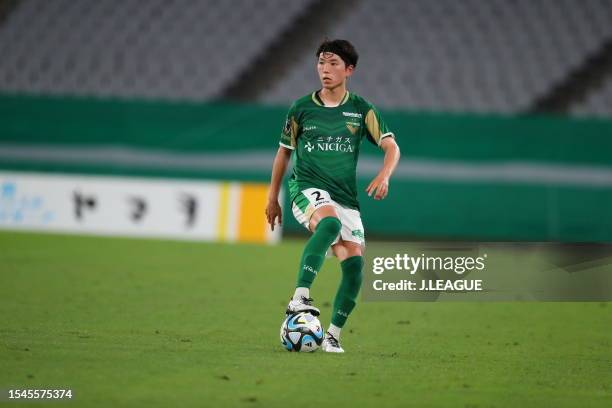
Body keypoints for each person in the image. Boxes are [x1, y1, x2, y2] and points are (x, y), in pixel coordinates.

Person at [265, 39, 400, 353]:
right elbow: (283, 154)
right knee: (329, 224)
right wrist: (273, 197)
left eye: (333, 64)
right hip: (306, 186)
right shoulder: (301, 108)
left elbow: (392, 147)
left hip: (345, 198)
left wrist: (384, 174)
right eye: (321, 63)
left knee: (354, 264)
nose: (325, 70)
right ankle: (300, 295)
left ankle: (332, 336)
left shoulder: (361, 110)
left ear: (349, 69)